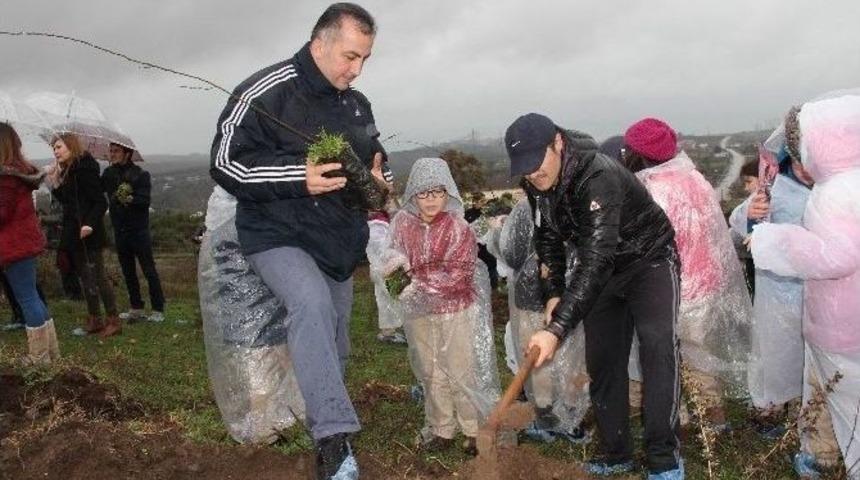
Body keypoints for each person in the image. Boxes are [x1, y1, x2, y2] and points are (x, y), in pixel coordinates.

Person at [208, 4, 388, 479]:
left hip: (337, 240)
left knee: (335, 342)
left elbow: (375, 158)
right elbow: (225, 161)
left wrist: (379, 179)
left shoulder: (356, 104)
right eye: (350, 56)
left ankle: (318, 413)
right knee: (310, 304)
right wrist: (297, 177)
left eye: (365, 59)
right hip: (276, 232)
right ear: (320, 43)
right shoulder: (267, 91)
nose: (356, 69)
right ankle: (333, 442)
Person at [507, 113, 683, 479]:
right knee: (603, 359)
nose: (534, 177)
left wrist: (555, 331)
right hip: (602, 271)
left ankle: (664, 459)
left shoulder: (597, 176)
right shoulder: (536, 180)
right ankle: (616, 451)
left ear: (557, 143)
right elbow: (549, 237)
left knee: (657, 348)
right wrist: (553, 291)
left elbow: (597, 259)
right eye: (526, 172)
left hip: (647, 260)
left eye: (538, 167)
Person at [749, 93, 860, 478]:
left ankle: (823, 458)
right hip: (844, 322)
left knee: (833, 394)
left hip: (840, 326)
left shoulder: (835, 195)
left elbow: (835, 256)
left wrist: (774, 241)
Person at [621, 118, 753, 430]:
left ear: (639, 153)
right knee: (701, 358)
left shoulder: (649, 191)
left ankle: (674, 420)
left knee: (664, 359)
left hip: (668, 289)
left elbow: (641, 246)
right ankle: (713, 421)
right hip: (705, 287)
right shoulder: (695, 179)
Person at [384, 157, 499, 455]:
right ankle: (442, 428)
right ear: (413, 195)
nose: (431, 200)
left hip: (454, 310)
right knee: (430, 370)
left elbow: (460, 274)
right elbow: (392, 257)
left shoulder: (459, 228)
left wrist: (421, 285)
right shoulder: (403, 225)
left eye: (437, 192)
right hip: (418, 312)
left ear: (448, 193)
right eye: (423, 193)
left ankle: (472, 429)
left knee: (460, 370)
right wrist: (391, 266)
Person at [728, 112, 813, 434]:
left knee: (815, 358)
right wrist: (749, 212)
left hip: (824, 291)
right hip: (779, 292)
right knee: (775, 354)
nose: (805, 169)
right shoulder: (777, 183)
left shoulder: (838, 183)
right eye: (799, 160)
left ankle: (810, 418)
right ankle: (770, 413)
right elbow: (740, 219)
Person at [498, 197, 590, 442]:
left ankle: (552, 417)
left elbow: (512, 254)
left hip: (540, 297)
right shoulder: (578, 202)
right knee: (568, 358)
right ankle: (566, 418)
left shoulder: (524, 210)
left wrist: (498, 233)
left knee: (542, 361)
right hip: (567, 297)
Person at [49, 133, 120, 337]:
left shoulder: (85, 169)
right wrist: (55, 183)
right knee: (85, 276)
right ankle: (95, 319)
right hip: (74, 232)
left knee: (98, 276)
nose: (55, 151)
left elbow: (100, 202)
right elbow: (69, 201)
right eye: (54, 148)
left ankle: (113, 320)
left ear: (71, 146)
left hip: (89, 232)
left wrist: (89, 224)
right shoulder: (70, 170)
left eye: (59, 147)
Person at [0, 122, 60, 363]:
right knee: (32, 296)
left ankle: (38, 356)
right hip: (24, 243)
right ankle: (50, 352)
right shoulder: (19, 172)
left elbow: (1, 214)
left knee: (26, 298)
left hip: (14, 246)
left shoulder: (5, 178)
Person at [101, 142, 165, 323]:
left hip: (138, 230)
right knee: (128, 270)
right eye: (111, 151)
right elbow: (97, 191)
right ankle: (136, 307)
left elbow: (144, 201)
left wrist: (128, 198)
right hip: (119, 229)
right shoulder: (108, 173)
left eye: (116, 151)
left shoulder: (140, 174)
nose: (112, 154)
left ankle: (158, 308)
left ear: (127, 154)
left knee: (148, 270)